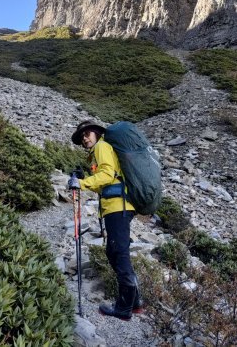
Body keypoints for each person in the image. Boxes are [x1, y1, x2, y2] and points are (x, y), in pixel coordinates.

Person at [68, 120, 143, 321]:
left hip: (118, 207)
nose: (85, 138)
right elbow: (104, 181)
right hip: (115, 207)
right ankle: (135, 302)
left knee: (119, 253)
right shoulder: (97, 152)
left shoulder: (102, 146)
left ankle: (124, 308)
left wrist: (81, 183)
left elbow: (108, 175)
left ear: (97, 133)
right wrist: (86, 181)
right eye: (82, 136)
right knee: (114, 251)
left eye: (87, 134)